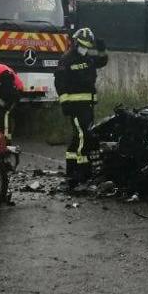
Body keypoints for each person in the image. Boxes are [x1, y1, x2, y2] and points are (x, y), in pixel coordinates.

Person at [54, 27, 108, 188]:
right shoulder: (67, 60)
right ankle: (82, 172)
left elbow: (103, 61)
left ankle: (72, 170)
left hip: (88, 105)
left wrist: (102, 48)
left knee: (80, 137)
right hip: (75, 106)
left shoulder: (88, 59)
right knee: (83, 136)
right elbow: (60, 83)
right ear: (76, 43)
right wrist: (65, 103)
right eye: (83, 45)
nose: (85, 48)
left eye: (88, 46)